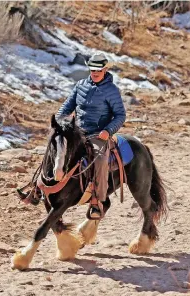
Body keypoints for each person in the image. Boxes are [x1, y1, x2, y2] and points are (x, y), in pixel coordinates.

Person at [56, 52, 126, 219]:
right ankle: (38, 186)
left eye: (98, 70)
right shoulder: (80, 85)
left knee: (100, 159)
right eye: (92, 70)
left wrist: (108, 131)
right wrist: (59, 122)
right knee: (55, 145)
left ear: (105, 69)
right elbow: (66, 107)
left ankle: (97, 201)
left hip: (98, 135)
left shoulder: (112, 90)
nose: (95, 73)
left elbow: (120, 115)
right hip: (76, 132)